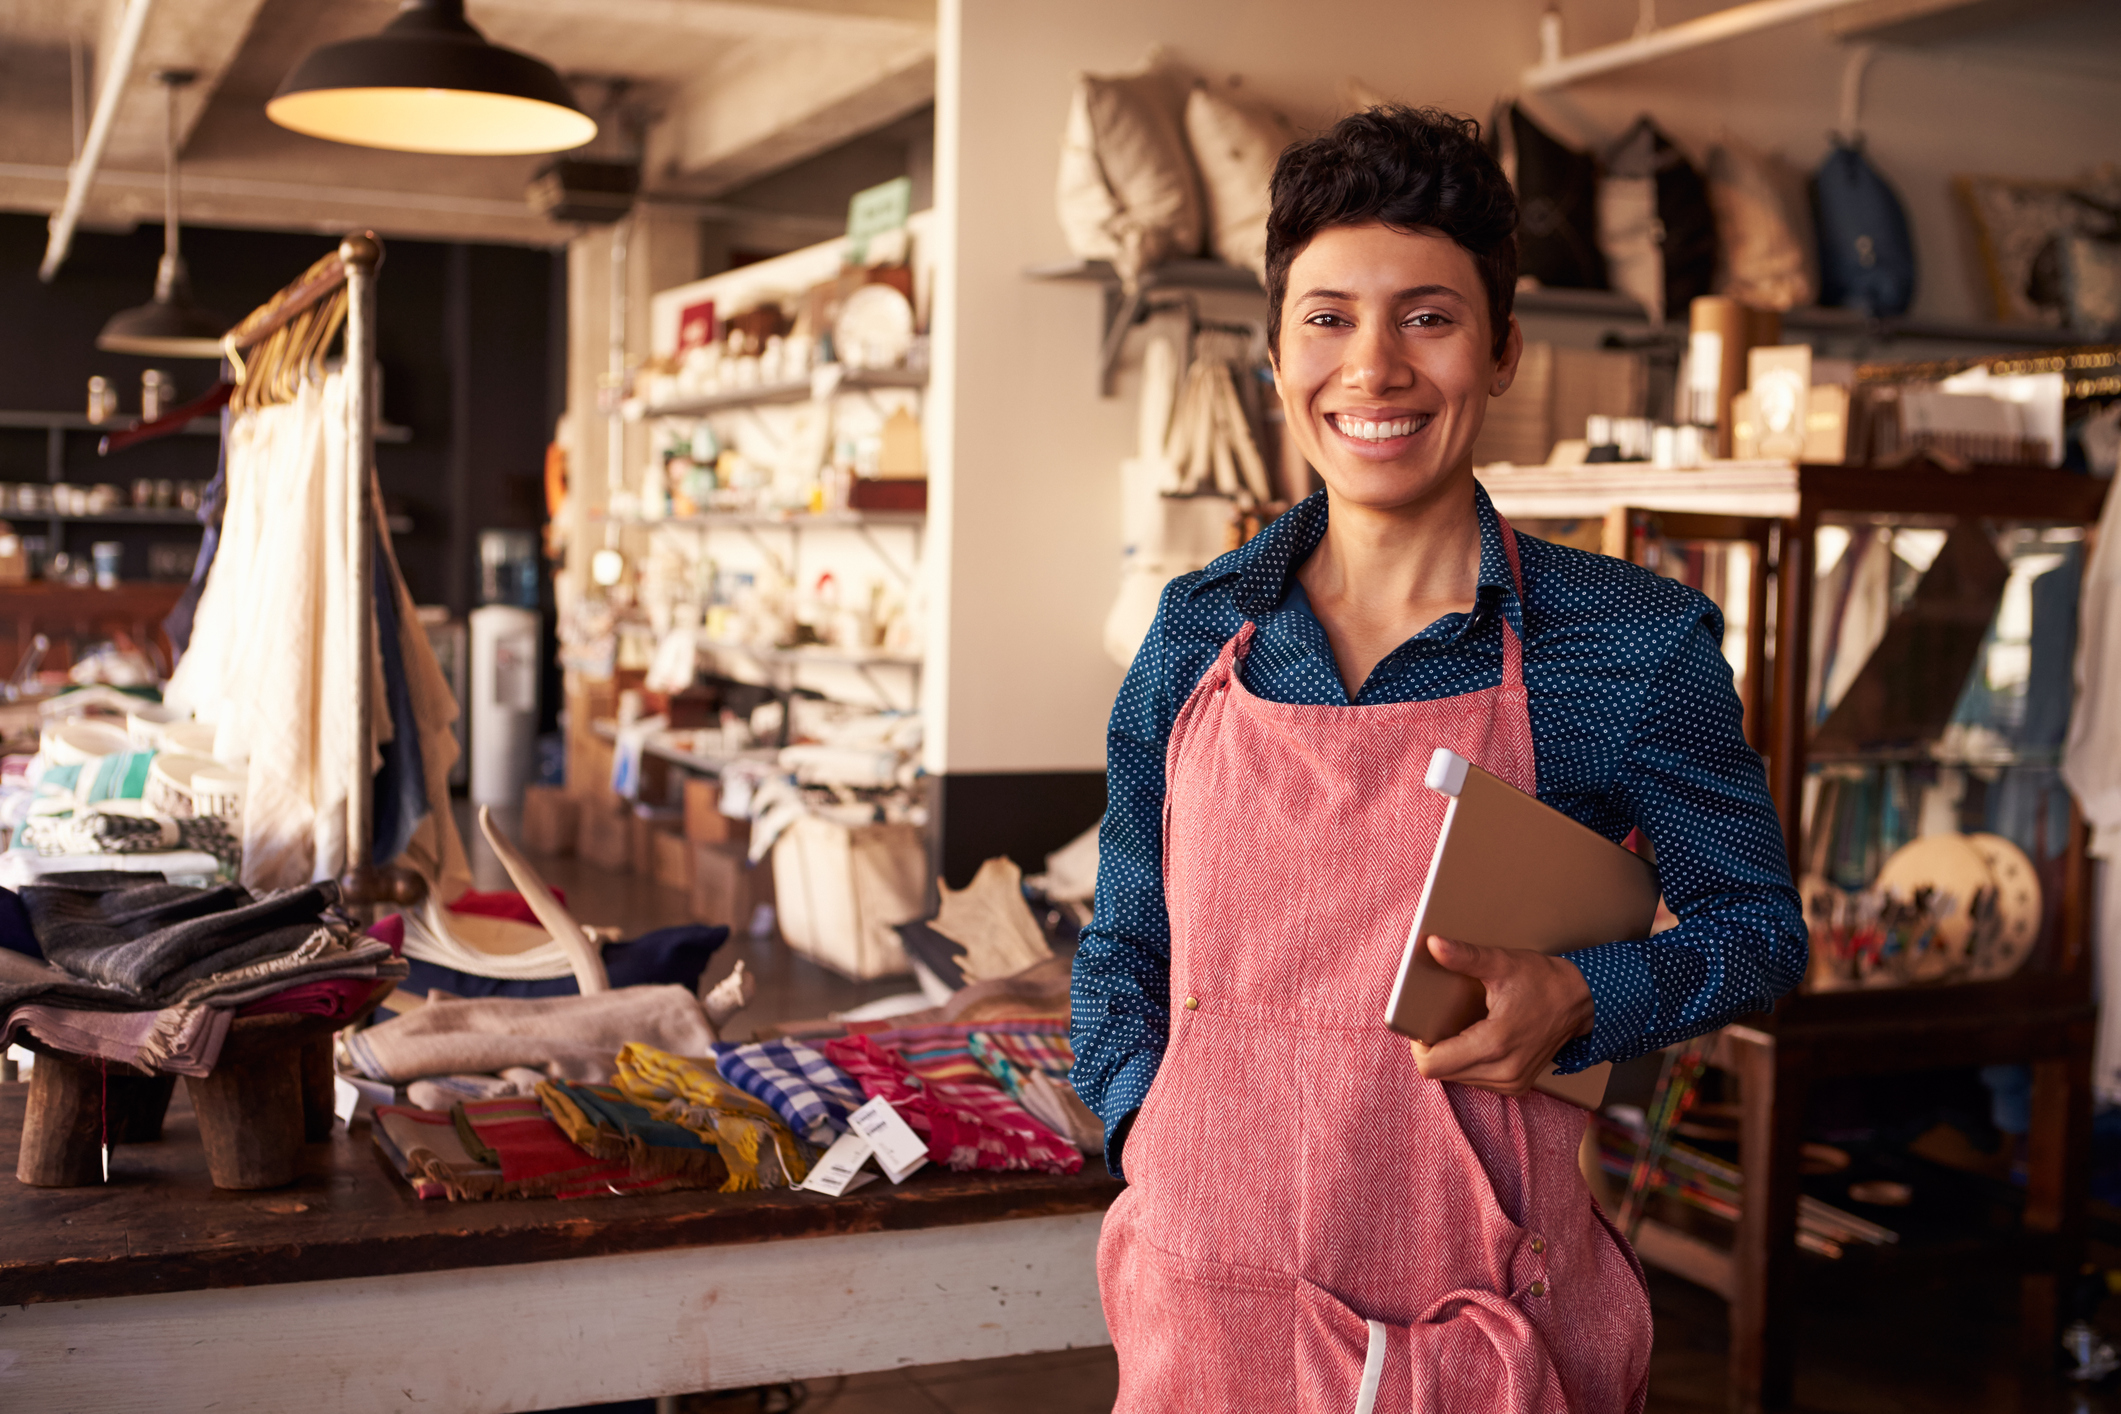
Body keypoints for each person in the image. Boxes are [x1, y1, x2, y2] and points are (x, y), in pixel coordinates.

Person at [1070, 106, 1806, 1412]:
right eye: (1326, 317)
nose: (1372, 368)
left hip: (1480, 1329)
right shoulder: (1196, 632)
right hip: (1205, 1309)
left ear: (1502, 349)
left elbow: (1757, 929)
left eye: (1426, 315)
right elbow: (1125, 941)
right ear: (1277, 344)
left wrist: (1585, 995)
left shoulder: (1628, 647)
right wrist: (1150, 1134)